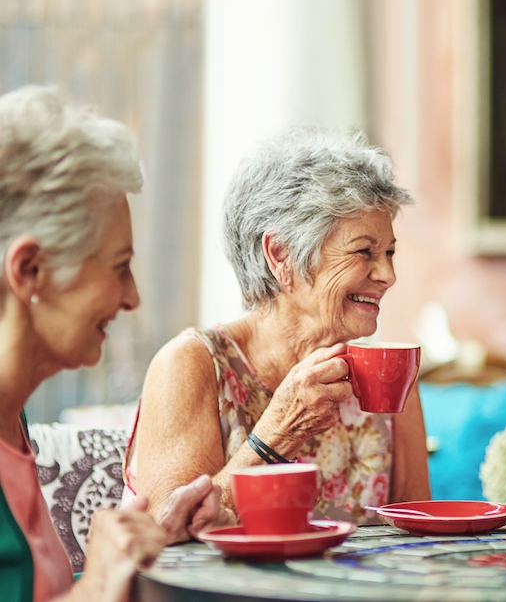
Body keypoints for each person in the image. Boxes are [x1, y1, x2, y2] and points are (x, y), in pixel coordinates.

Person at [124, 126, 430, 527]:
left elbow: (419, 531)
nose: (388, 275)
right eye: (364, 251)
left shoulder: (387, 372)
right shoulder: (192, 364)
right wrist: (279, 433)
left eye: (389, 252)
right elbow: (165, 532)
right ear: (281, 254)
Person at [0, 85, 222, 602]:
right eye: (119, 267)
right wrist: (97, 585)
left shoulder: (13, 422)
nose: (133, 298)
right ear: (29, 270)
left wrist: (143, 545)